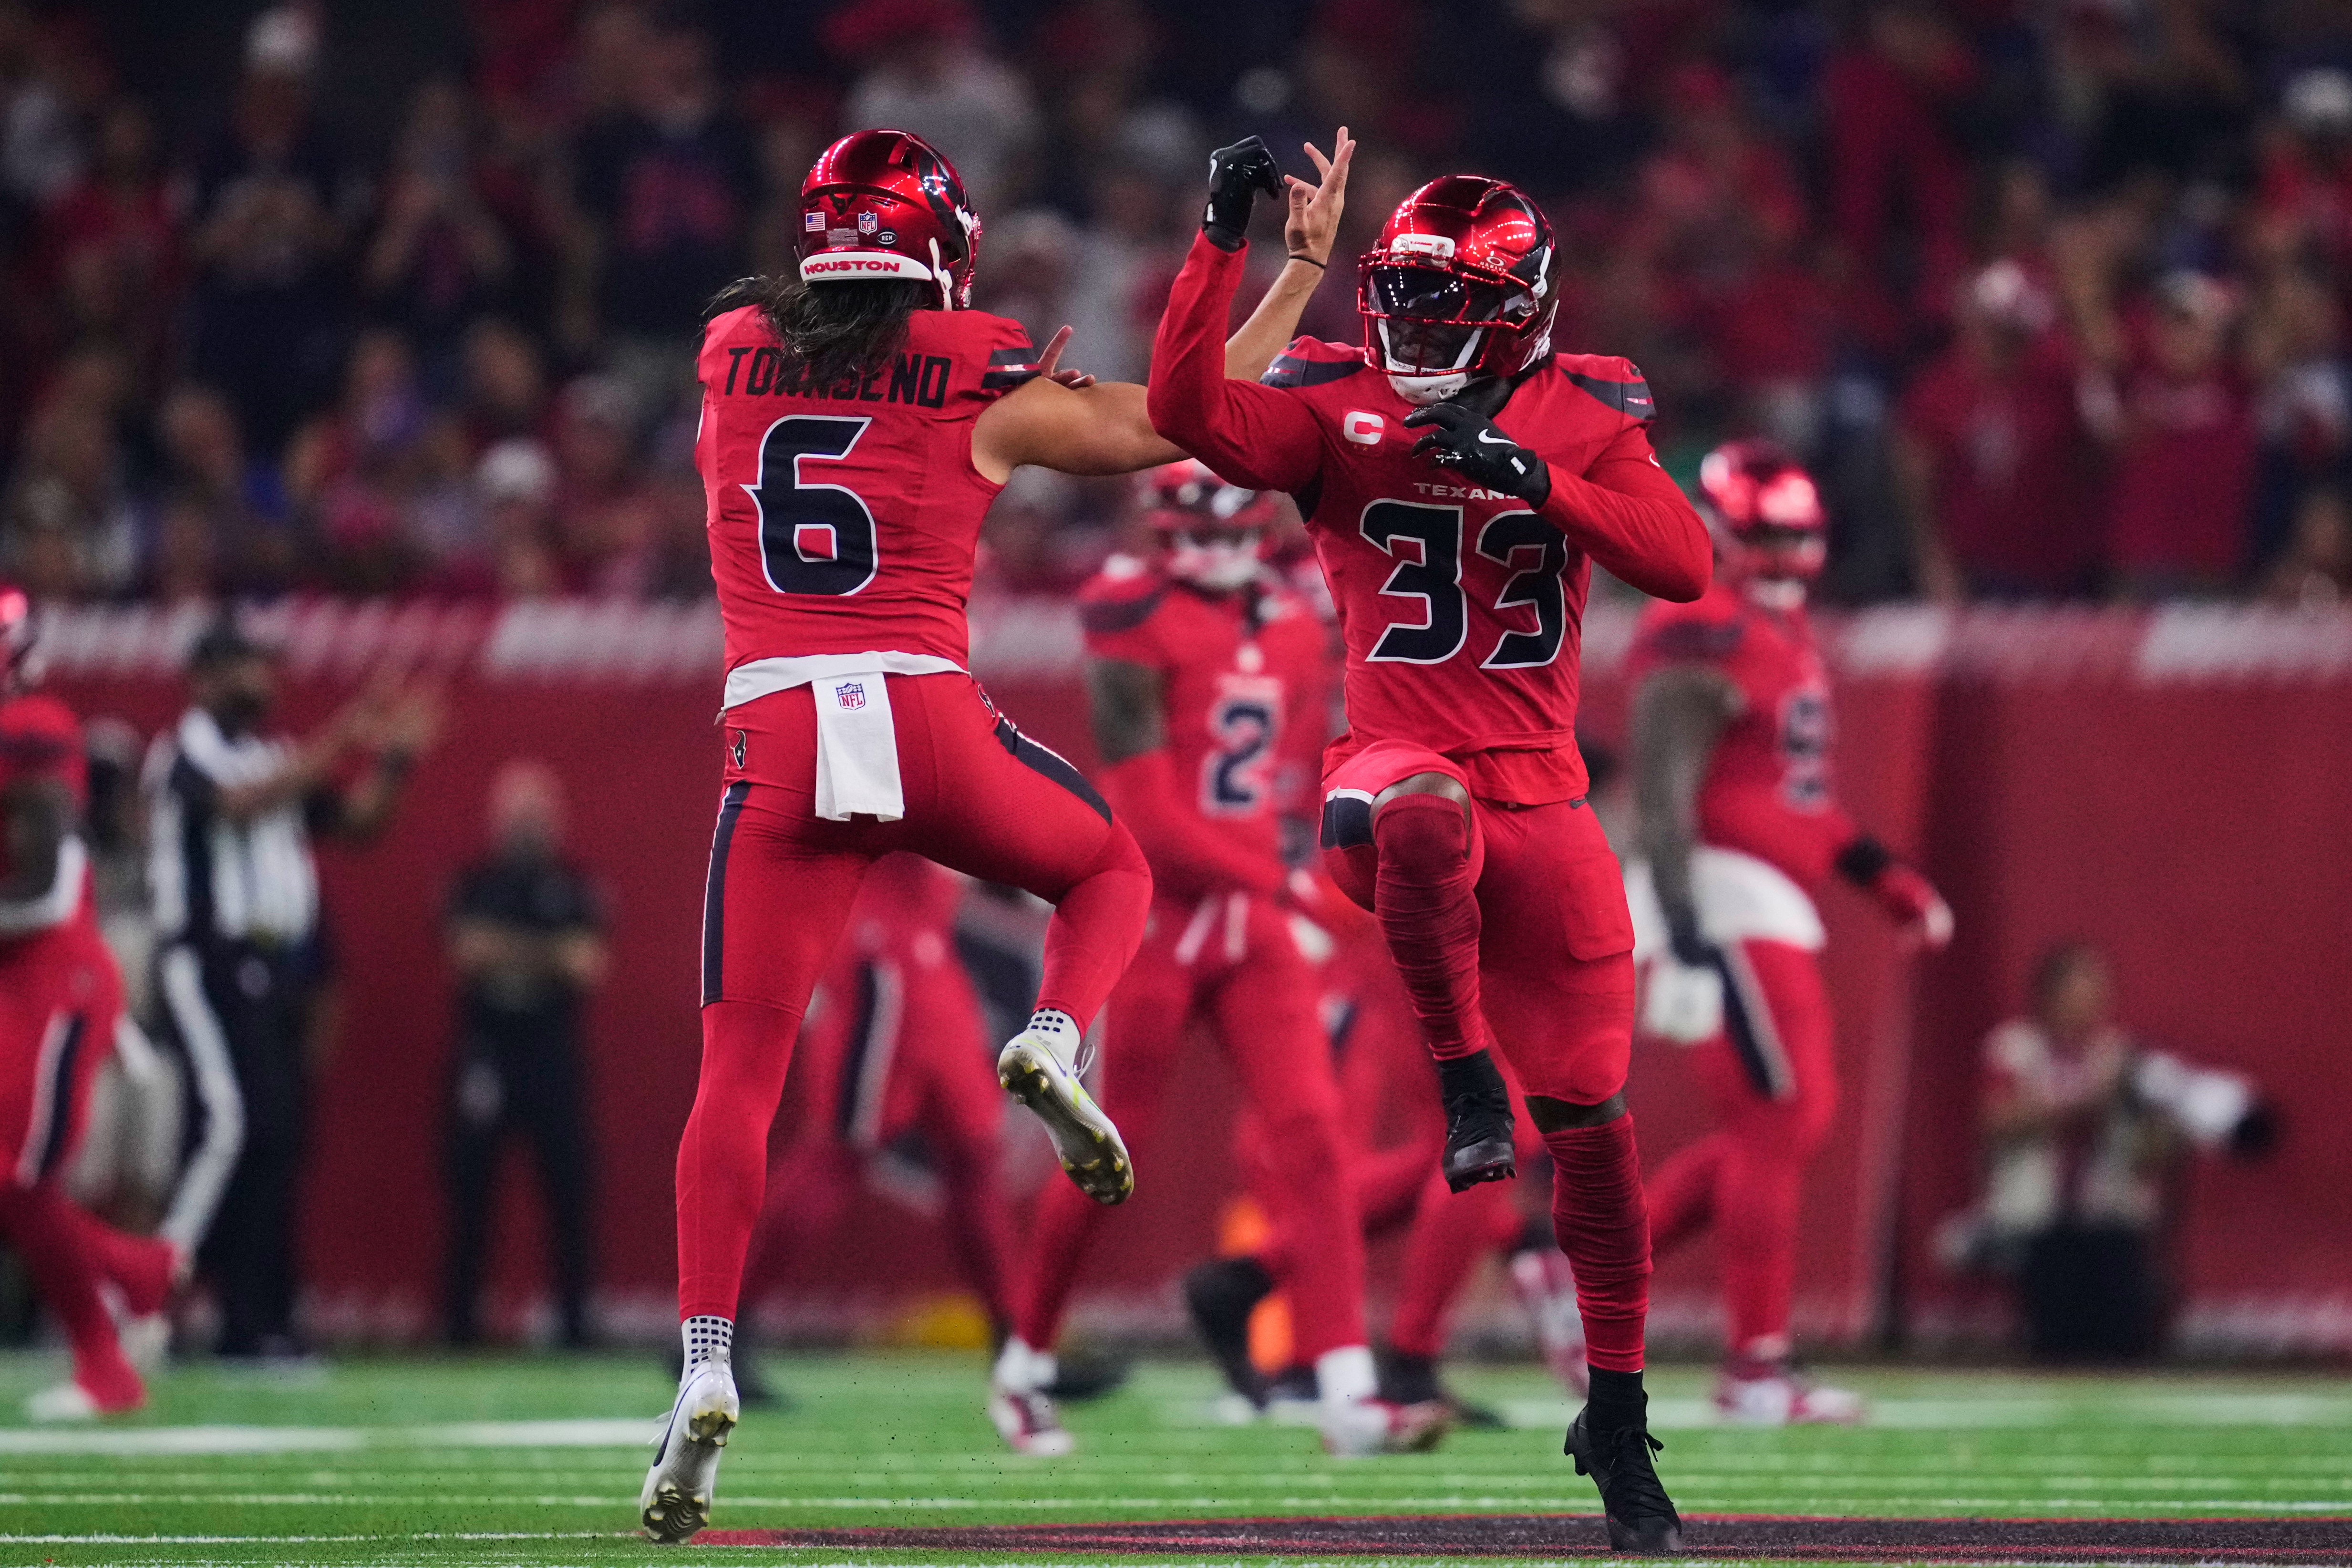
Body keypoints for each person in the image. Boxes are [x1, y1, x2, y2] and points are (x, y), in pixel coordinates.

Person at [644, 125, 1351, 1542]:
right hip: (923, 716)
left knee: (739, 1076)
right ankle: (1054, 1029)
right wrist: (1267, 263)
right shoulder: (973, 356)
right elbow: (1178, 418)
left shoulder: (727, 345)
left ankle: (705, 1361)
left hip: (774, 732)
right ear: (939, 250)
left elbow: (803, 353)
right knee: (1108, 866)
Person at [1147, 140, 1712, 1555]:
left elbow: (1682, 560)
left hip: (1550, 802)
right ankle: (1464, 1075)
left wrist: (1533, 477)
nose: (1413, 326)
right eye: (1398, 293)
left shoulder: (1586, 409)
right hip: (1393, 764)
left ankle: (1623, 1416)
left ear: (1522, 311)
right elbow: (1183, 409)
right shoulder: (1340, 397)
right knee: (1417, 810)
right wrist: (1223, 243)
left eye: (1447, 303)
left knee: (1592, 1124)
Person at [996, 457, 1435, 1457]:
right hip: (1159, 915)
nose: (1219, 555)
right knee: (1110, 1149)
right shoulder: (1126, 608)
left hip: (1252, 922)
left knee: (1316, 1140)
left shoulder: (1290, 620)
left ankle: (1347, 1390)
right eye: (1201, 533)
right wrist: (1283, 885)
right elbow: (1147, 811)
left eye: (1236, 534)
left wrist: (1304, 867)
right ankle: (1023, 1363)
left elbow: (1300, 769)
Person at [1622, 439, 1951, 1424]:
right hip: (1719, 893)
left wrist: (1884, 878)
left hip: (1764, 894)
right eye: (1769, 534)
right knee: (1779, 1118)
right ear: (1720, 533)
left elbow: (1798, 804)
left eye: (1801, 534)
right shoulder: (1702, 626)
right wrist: (1679, 918)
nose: (1789, 552)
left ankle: (1599, 1261)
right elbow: (1666, 794)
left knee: (1787, 1121)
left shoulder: (1783, 636)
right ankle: (1755, 1364)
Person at [144, 620, 436, 1362]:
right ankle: (147, 1298)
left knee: (273, 1139)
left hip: (274, 974)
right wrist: (345, 735)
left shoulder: (277, 757)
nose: (263, 681)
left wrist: (396, 759)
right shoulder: (183, 755)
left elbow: (358, 825)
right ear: (205, 676)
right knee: (227, 1129)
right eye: (247, 666)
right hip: (207, 961)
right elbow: (242, 804)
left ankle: (257, 1320)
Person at [732, 853, 1015, 1400]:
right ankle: (719, 1329)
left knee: (975, 1159)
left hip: (930, 952)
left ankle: (1021, 1347)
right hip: (882, 958)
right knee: (837, 1154)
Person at [0, 587, 183, 1417]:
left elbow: (42, 882)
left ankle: (106, 1366)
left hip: (57, 970)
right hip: (17, 973)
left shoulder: (33, 729)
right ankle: (136, 1271)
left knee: (23, 1180)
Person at [1949, 943, 2274, 1361]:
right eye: (2078, 991)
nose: (2090, 1003)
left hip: (2113, 1220)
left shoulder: (2125, 1056)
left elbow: (2149, 1155)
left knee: (2123, 1342)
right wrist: (2089, 1103)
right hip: (2040, 1221)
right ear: (2048, 995)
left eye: (2097, 991)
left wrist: (2163, 1131)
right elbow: (1996, 1122)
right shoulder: (2014, 1048)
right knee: (2055, 1343)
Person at [443, 761, 606, 1349]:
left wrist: (507, 953)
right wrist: (548, 954)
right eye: (518, 816)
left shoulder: (575, 886)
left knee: (569, 1189)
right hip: (487, 1052)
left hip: (551, 1054)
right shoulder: (476, 883)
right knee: (471, 1189)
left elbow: (585, 965)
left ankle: (576, 1325)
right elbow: (468, 953)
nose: (528, 828)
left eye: (537, 816)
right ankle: (459, 1325)